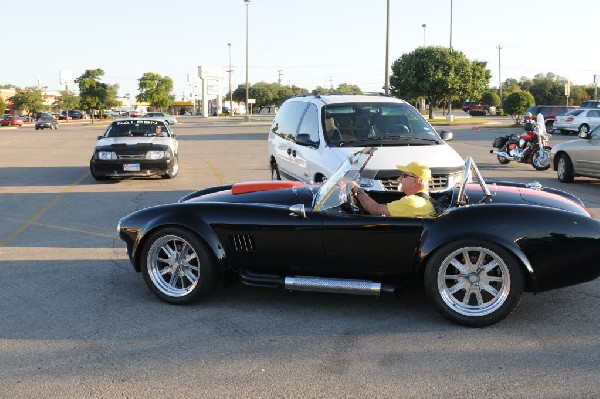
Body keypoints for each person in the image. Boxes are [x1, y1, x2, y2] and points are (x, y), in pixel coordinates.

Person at [350, 161, 435, 217]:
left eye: (404, 175)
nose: (399, 179)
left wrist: (357, 189)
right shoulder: (424, 199)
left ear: (417, 181)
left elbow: (376, 210)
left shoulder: (412, 202)